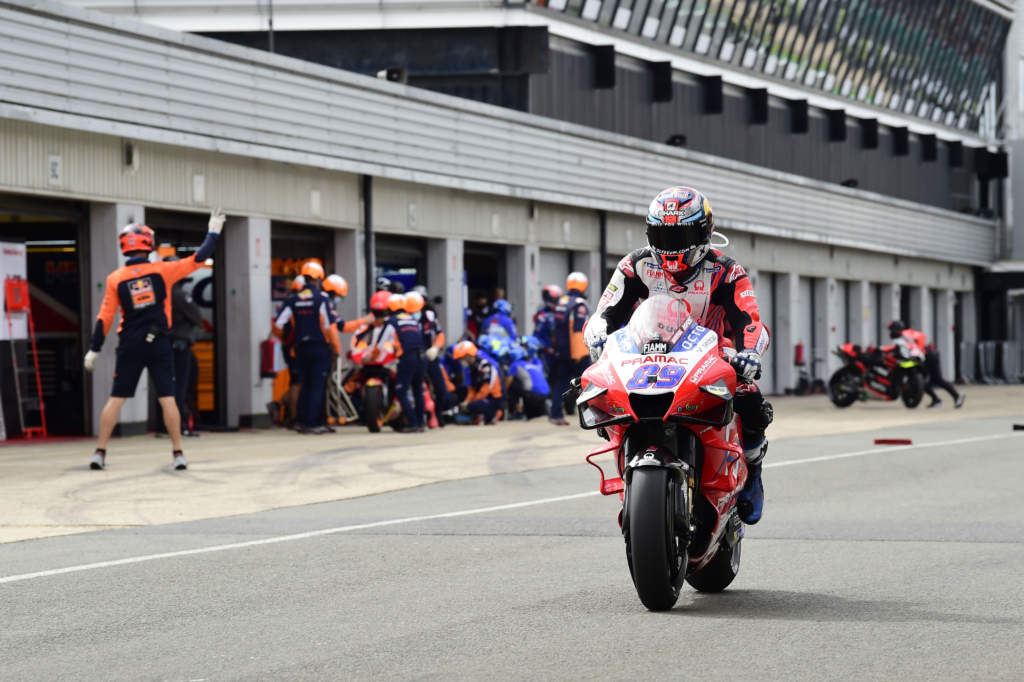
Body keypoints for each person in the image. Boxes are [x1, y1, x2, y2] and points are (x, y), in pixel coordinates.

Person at [583, 186, 772, 525]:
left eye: (680, 234)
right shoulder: (635, 265)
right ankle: (629, 468)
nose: (671, 245)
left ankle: (753, 471)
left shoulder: (727, 271)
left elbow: (750, 320)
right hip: (647, 356)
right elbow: (607, 311)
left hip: (710, 357)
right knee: (601, 398)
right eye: (662, 234)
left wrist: (749, 354)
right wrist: (597, 331)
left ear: (704, 232)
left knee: (752, 402)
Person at [82, 209, 224, 470]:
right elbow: (200, 258)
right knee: (168, 398)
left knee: (117, 398)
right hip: (159, 342)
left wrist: (94, 349)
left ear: (124, 246)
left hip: (130, 344)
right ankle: (178, 453)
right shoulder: (163, 271)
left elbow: (105, 317)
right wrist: (213, 230)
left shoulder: (116, 279)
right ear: (149, 245)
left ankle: (99, 453)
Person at [272, 261, 341, 434]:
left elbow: (278, 324)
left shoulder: (293, 299)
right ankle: (313, 423)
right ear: (318, 279)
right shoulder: (321, 299)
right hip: (319, 347)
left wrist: (288, 340)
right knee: (317, 385)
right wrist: (336, 348)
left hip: (300, 348)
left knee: (304, 384)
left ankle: (303, 422)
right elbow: (329, 327)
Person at [165, 256, 203, 437]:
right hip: (179, 345)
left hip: (164, 345)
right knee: (180, 386)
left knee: (167, 388)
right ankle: (179, 426)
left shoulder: (160, 294)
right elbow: (197, 317)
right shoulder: (179, 294)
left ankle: (165, 425)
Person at [888, 321, 964, 408]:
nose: (891, 333)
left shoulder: (905, 335)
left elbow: (916, 344)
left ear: (897, 329)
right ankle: (936, 399)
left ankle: (957, 396)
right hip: (924, 356)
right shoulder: (906, 335)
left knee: (937, 379)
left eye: (892, 330)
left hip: (929, 356)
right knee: (922, 382)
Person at [548, 272, 591, 426]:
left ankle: (555, 414)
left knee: (560, 382)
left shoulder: (561, 301)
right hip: (576, 352)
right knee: (590, 382)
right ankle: (594, 416)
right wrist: (579, 354)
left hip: (561, 351)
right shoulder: (580, 303)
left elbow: (555, 327)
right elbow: (578, 331)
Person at [387, 292, 427, 432]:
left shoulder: (392, 321)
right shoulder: (412, 319)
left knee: (401, 391)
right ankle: (421, 423)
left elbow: (385, 341)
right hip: (421, 357)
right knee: (418, 391)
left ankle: (413, 423)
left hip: (407, 358)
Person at [452, 340, 504, 424]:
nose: (461, 361)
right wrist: (467, 401)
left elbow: (485, 389)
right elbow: (471, 389)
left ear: (468, 356)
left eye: (461, 358)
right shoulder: (471, 369)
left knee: (474, 406)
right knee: (464, 403)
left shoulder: (484, 365)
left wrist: (471, 404)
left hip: (493, 399)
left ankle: (495, 414)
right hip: (481, 398)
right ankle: (477, 416)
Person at [506, 342, 550, 419]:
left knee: (512, 385)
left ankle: (515, 411)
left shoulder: (515, 364)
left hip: (533, 396)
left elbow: (508, 383)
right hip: (546, 394)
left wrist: (502, 396)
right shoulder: (532, 364)